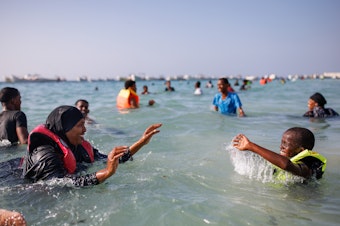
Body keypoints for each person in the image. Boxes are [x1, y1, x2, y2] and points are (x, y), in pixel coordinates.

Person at [23, 105, 162, 186]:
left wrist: (142, 142)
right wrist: (106, 173)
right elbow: (59, 184)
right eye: (79, 126)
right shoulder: (44, 153)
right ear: (64, 129)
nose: (85, 130)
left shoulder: (79, 147)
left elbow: (111, 160)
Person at [232, 127, 327, 180]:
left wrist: (252, 146)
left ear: (301, 150)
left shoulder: (309, 163)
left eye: (286, 144)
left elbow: (286, 165)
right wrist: (246, 153)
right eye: (282, 143)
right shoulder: (288, 158)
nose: (281, 147)